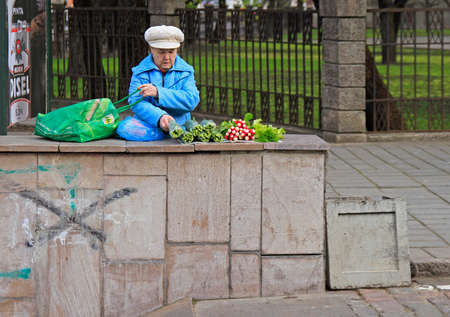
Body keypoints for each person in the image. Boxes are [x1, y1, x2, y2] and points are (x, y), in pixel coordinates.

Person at [116, 25, 200, 141]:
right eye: (161, 52)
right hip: (149, 126)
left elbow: (191, 100)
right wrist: (160, 117)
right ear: (151, 49)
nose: (166, 57)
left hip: (180, 127)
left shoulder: (186, 71)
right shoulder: (140, 72)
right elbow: (136, 102)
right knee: (124, 128)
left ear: (177, 50)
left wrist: (158, 93)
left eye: (171, 52)